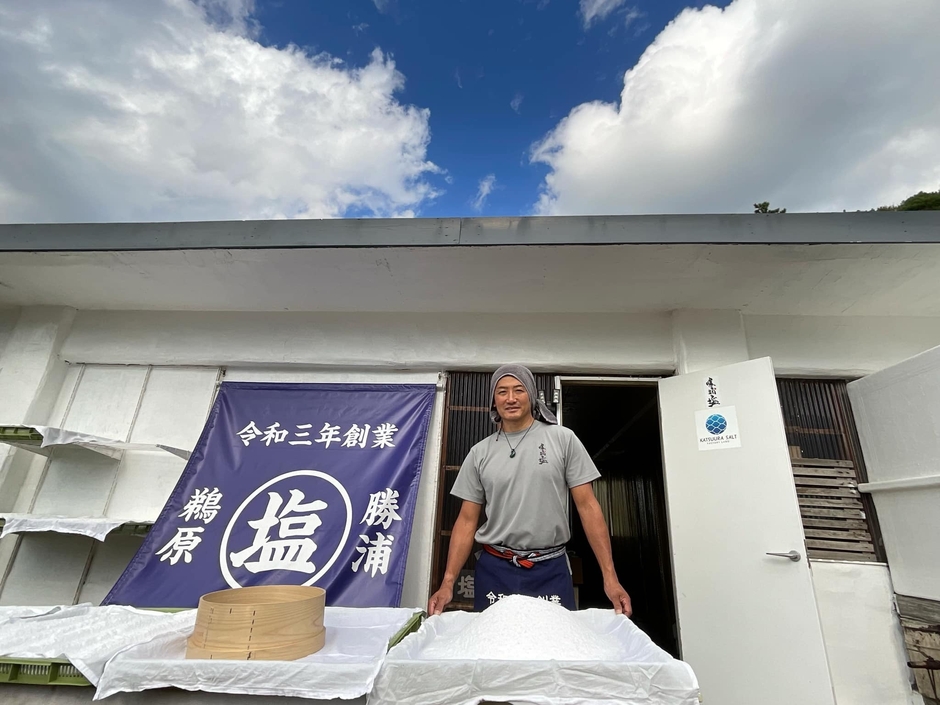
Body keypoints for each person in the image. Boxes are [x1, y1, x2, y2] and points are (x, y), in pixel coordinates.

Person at [428, 364, 632, 616]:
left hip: (551, 568)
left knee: (554, 650)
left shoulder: (562, 439)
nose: (511, 398)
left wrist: (610, 578)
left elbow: (588, 507)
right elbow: (467, 520)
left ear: (532, 395)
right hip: (496, 569)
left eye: (519, 390)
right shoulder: (479, 453)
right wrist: (447, 583)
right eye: (502, 392)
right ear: (493, 399)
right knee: (496, 649)